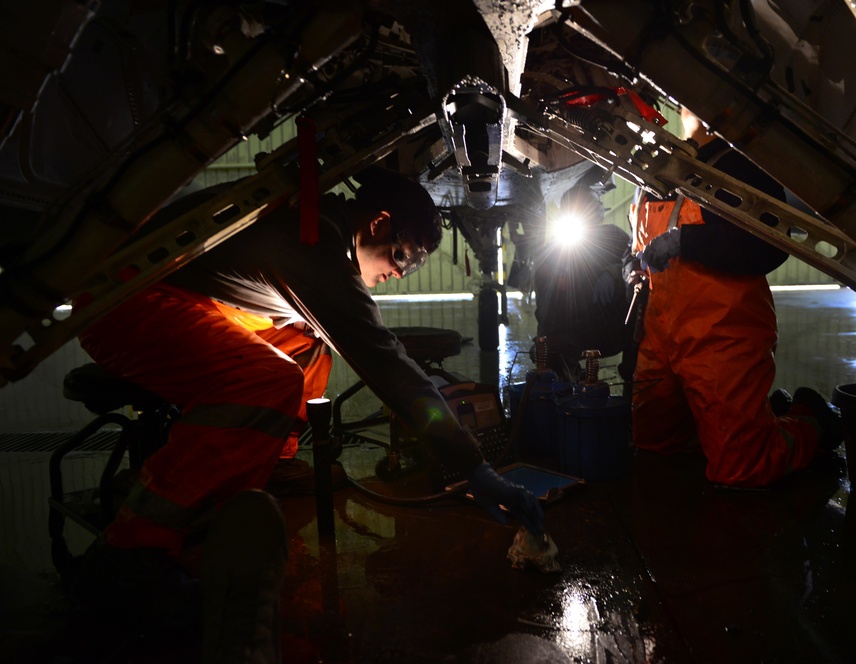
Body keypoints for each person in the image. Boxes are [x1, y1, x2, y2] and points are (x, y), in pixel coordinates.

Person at [71, 166, 544, 615]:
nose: (400, 273)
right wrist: (471, 464)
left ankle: (270, 460)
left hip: (186, 294)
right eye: (404, 255)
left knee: (309, 341)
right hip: (124, 299)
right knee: (268, 377)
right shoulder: (313, 242)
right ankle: (131, 552)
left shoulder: (322, 228)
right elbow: (385, 361)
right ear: (379, 224)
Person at [623, 108, 842, 488]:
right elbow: (638, 243)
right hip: (660, 335)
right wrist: (630, 266)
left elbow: (767, 247)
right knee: (653, 442)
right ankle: (742, 424)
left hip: (721, 334)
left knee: (740, 469)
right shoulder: (658, 172)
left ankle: (810, 422)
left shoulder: (739, 169)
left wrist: (685, 242)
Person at [533, 172, 631, 382]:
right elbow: (545, 307)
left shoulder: (614, 237)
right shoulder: (552, 252)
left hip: (610, 329)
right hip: (569, 331)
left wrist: (615, 274)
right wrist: (545, 342)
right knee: (554, 362)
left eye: (594, 205)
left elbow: (635, 262)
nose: (593, 209)